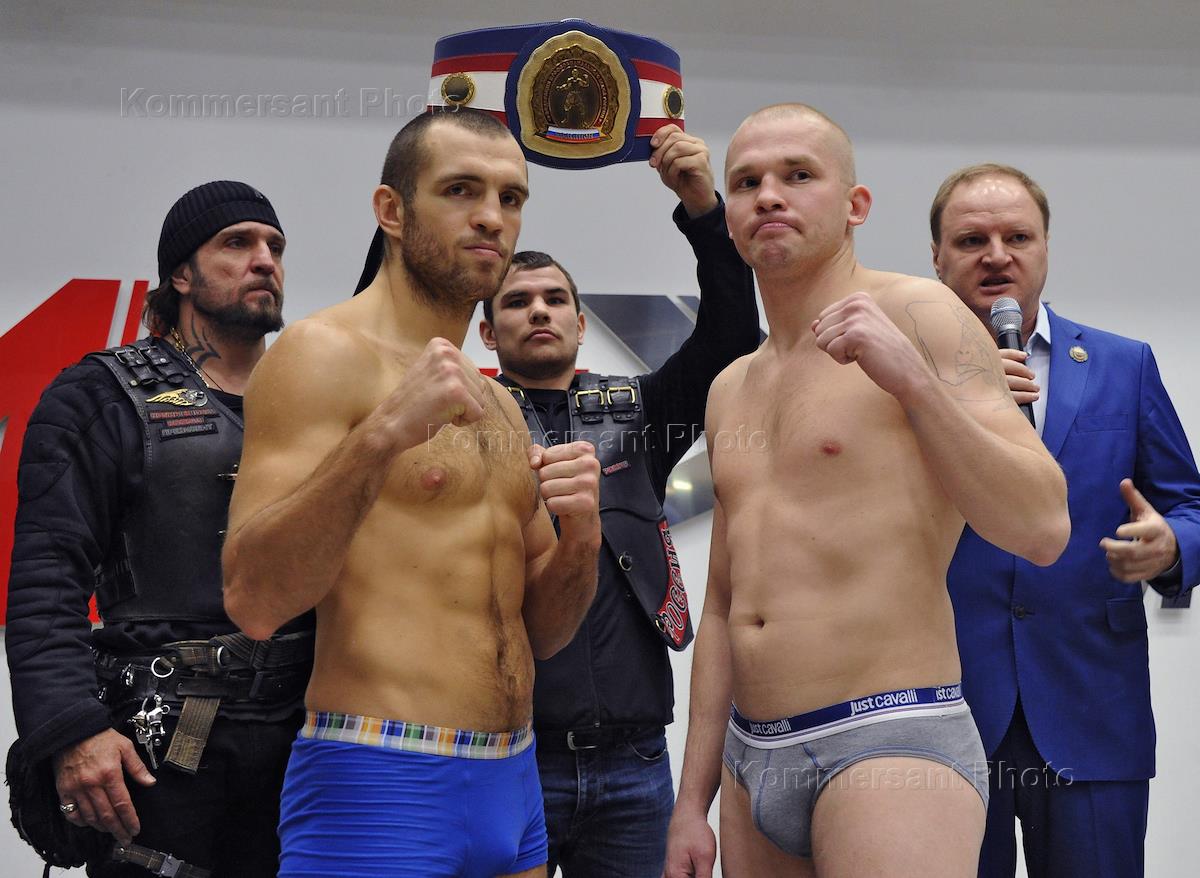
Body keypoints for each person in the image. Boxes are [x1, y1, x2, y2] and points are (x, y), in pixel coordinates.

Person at [663, 104, 1071, 878]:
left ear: (856, 205)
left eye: (798, 175)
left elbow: (1043, 526)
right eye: (746, 182)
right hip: (752, 757)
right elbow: (722, 605)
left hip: (887, 739)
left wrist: (914, 382)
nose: (769, 195)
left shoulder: (921, 314)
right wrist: (692, 802)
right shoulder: (731, 387)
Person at [220, 108, 602, 878]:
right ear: (391, 211)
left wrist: (584, 538)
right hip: (380, 777)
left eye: (511, 197)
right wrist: (382, 436)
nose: (491, 217)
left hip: (515, 782)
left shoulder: (499, 405)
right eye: (461, 190)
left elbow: (545, 632)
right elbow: (254, 598)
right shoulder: (322, 354)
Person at [5, 180, 314, 877]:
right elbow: (47, 578)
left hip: (307, 743)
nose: (264, 260)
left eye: (275, 246)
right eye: (236, 243)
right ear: (181, 273)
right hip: (167, 743)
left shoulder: (315, 403)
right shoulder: (100, 395)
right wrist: (72, 730)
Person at [477, 124, 759, 877]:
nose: (538, 311)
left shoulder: (641, 411)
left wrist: (703, 208)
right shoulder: (458, 420)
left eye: (554, 299)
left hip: (634, 762)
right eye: (517, 302)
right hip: (507, 754)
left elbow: (732, 335)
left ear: (579, 321)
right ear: (488, 330)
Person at [931, 163, 1200, 878]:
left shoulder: (1122, 365)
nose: (996, 256)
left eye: (1017, 237)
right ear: (937, 257)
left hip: (1093, 700)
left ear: (1046, 247)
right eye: (972, 240)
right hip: (944, 707)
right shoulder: (900, 376)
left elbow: (1189, 503)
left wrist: (1172, 546)